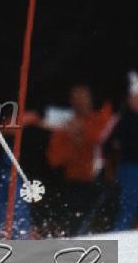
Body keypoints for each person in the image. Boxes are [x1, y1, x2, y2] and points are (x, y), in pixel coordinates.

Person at [46, 84, 113, 235]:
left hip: (103, 180)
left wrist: (81, 134)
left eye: (83, 97)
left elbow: (101, 140)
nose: (81, 101)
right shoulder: (64, 127)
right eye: (76, 98)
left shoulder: (100, 120)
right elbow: (54, 159)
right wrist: (71, 137)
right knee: (76, 223)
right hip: (75, 183)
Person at [106, 71, 138, 230]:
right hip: (130, 168)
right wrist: (111, 167)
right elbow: (108, 144)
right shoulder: (123, 119)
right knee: (129, 206)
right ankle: (119, 234)